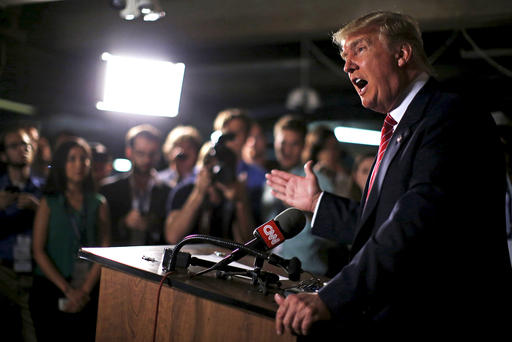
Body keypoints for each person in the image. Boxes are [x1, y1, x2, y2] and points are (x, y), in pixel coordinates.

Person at [267, 11, 512, 338]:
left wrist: (333, 297)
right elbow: (383, 221)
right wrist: (316, 202)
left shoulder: (450, 115)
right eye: (344, 56)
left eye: (360, 49)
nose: (347, 66)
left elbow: (416, 222)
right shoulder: (400, 129)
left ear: (402, 54)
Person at [30, 137, 110, 342]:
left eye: (84, 159)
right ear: (61, 164)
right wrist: (68, 290)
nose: (79, 164)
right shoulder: (49, 202)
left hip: (88, 289)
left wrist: (83, 291)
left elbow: (105, 248)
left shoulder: (99, 203)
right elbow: (38, 250)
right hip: (51, 287)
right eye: (71, 159)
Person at [262, 115, 343, 276]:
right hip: (270, 268)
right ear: (275, 142)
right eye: (283, 143)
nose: (287, 150)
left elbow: (335, 233)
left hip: (306, 271)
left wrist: (310, 211)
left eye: (294, 144)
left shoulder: (318, 181)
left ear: (304, 146)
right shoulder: (270, 180)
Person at [0, 124, 44, 342]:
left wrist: (40, 209)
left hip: (35, 271)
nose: (21, 149)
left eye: (25, 144)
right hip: (3, 270)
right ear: (3, 154)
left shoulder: (44, 190)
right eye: (14, 145)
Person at [164, 142, 254, 244]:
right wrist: (198, 193)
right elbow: (173, 237)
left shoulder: (235, 195)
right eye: (208, 162)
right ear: (200, 166)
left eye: (221, 163)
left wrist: (240, 202)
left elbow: (249, 244)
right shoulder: (184, 192)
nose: (215, 170)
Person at [100, 124, 171, 246]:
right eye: (140, 153)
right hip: (117, 258)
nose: (147, 159)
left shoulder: (169, 191)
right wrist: (124, 223)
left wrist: (154, 225)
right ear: (129, 152)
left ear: (159, 154)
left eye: (152, 154)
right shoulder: (108, 189)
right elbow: (98, 232)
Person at [301, 125, 351, 197]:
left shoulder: (345, 175)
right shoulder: (306, 177)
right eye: (326, 148)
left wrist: (341, 177)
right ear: (316, 152)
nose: (332, 153)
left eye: (335, 147)